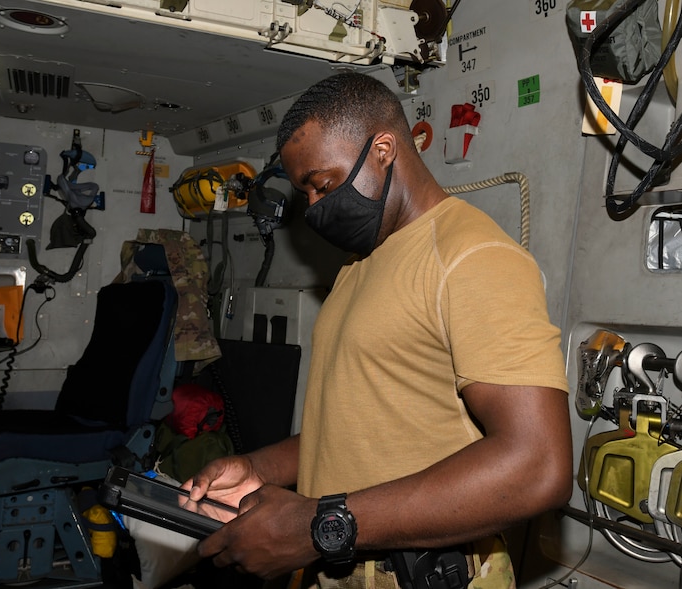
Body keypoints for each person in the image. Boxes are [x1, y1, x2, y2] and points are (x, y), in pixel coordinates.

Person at [181, 72, 572, 589]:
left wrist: (320, 526)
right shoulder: (359, 265)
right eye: (307, 195)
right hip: (341, 559)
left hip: (421, 573)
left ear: (383, 148)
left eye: (323, 184)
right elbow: (357, 427)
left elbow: (538, 466)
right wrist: (259, 469)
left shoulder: (473, 257)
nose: (317, 208)